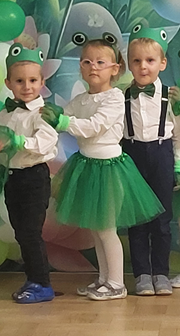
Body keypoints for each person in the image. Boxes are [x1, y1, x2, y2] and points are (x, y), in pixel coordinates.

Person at [41, 35, 163, 301]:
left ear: (115, 69)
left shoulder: (115, 97)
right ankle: (104, 279)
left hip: (108, 169)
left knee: (106, 229)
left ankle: (117, 284)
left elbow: (94, 126)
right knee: (96, 229)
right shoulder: (80, 99)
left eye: (100, 62)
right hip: (87, 166)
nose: (93, 67)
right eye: (87, 62)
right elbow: (62, 117)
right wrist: (44, 116)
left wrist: (62, 122)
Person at [0, 43, 58, 304]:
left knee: (31, 232)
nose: (27, 86)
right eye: (20, 81)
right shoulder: (5, 113)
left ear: (42, 82)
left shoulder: (43, 113)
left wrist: (18, 141)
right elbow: (0, 147)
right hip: (13, 177)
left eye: (32, 80)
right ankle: (33, 279)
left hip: (34, 177)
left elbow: (45, 143)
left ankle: (43, 283)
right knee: (20, 231)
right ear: (8, 83)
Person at [122, 25, 180, 296]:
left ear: (162, 63)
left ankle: (161, 273)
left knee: (161, 220)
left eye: (150, 60)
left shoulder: (171, 96)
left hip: (161, 155)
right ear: (129, 63)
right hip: (132, 156)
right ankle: (142, 275)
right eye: (136, 61)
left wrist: (177, 165)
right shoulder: (121, 96)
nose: (143, 66)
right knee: (137, 220)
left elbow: (177, 134)